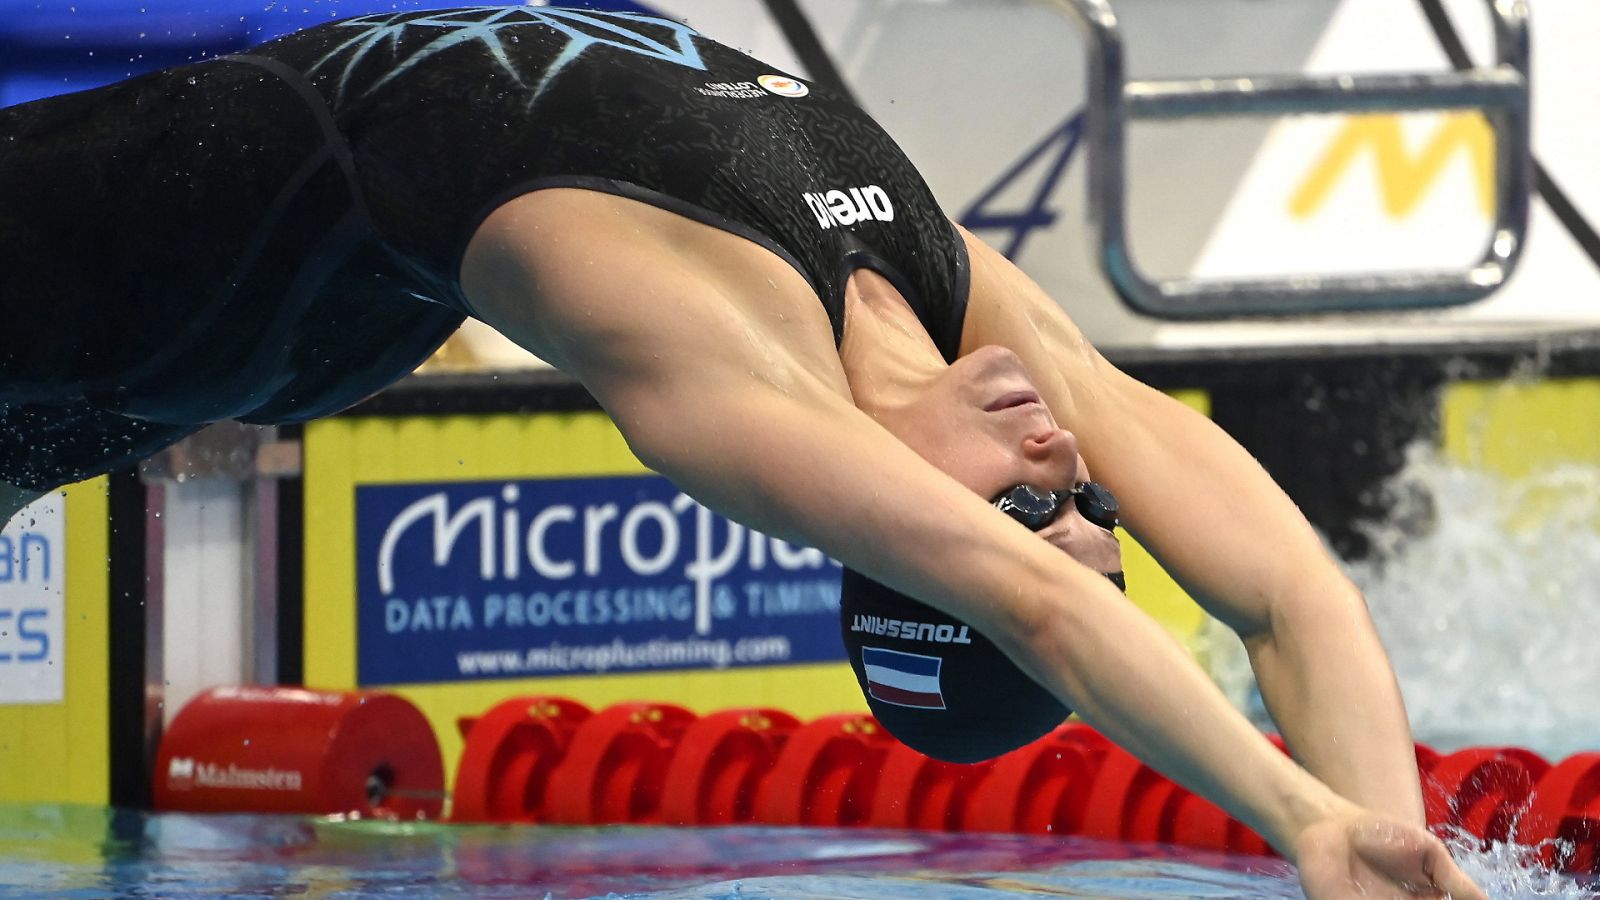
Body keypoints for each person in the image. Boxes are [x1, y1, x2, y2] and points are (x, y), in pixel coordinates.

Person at [0, 7, 1483, 897]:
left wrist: (1298, 823)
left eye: (1030, 507)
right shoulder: (960, 309)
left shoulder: (724, 387)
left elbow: (1045, 608)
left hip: (193, 240)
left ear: (919, 546)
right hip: (322, 271)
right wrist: (1377, 844)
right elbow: (1293, 598)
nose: (1060, 450)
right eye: (1089, 500)